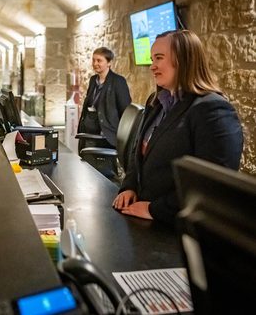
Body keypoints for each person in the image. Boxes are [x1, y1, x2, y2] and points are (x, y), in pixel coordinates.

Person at [112, 30, 243, 225]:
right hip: (145, 220)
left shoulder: (212, 109)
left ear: (183, 59)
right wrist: (129, 187)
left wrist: (153, 209)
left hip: (178, 227)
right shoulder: (156, 102)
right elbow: (138, 154)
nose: (152, 66)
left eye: (159, 58)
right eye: (151, 59)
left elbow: (211, 185)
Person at [77, 47, 131, 149]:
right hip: (89, 132)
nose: (95, 63)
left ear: (109, 63)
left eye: (99, 60)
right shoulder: (93, 80)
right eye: (93, 60)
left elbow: (125, 109)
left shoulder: (118, 81)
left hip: (107, 135)